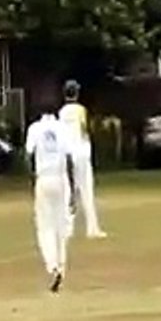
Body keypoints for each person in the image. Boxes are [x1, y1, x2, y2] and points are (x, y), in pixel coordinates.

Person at [24, 105, 77, 293]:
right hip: (60, 178)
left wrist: (32, 179)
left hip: (44, 178)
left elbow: (28, 156)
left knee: (45, 226)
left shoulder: (34, 129)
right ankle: (62, 266)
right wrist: (72, 186)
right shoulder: (64, 128)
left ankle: (52, 265)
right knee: (61, 225)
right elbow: (70, 159)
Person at [58, 80, 107, 239]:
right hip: (81, 153)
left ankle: (67, 228)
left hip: (67, 154)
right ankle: (92, 228)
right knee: (86, 191)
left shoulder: (62, 112)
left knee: (69, 191)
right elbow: (85, 128)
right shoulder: (80, 110)